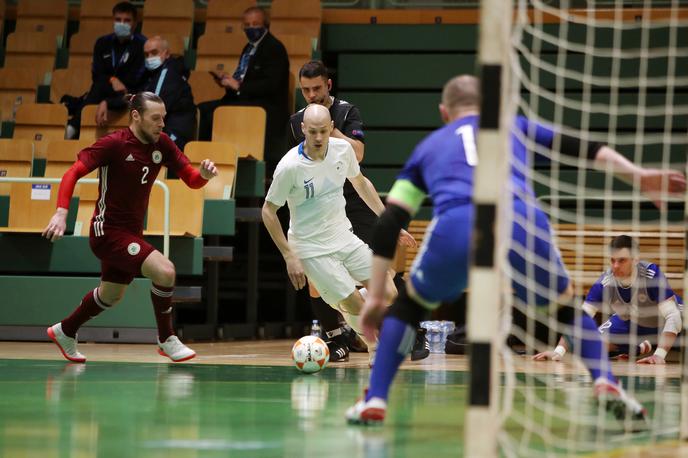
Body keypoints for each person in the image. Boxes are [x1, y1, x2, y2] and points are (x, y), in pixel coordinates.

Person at [345, 75, 686, 425]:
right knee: (568, 310)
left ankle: (377, 399)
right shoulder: (513, 125)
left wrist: (373, 299)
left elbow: (389, 222)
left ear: (444, 112)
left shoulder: (429, 147)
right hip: (520, 219)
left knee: (407, 308)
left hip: (458, 223)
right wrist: (637, 174)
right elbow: (584, 146)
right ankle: (604, 380)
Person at [43, 91, 218, 363]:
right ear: (135, 116)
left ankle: (65, 330)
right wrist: (61, 212)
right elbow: (72, 173)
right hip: (107, 232)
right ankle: (166, 339)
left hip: (131, 233)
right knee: (165, 271)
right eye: (155, 118)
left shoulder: (163, 145)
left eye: (164, 118)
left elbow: (192, 180)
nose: (162, 124)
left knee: (110, 296)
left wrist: (204, 175)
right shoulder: (113, 144)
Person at [287, 61, 429, 362]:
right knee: (318, 281)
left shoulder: (347, 112)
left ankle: (413, 334)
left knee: (383, 272)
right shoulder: (297, 121)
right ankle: (336, 336)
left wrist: (329, 128)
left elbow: (358, 154)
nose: (311, 95)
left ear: (328, 85)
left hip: (354, 200)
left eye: (317, 88)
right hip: (322, 209)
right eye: (305, 90)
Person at [262, 104, 416, 364]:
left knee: (389, 293)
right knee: (355, 306)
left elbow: (361, 183)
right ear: (303, 130)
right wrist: (289, 256)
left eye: (324, 131)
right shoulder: (289, 167)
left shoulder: (343, 150)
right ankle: (373, 347)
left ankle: (353, 300)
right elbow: (268, 211)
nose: (319, 138)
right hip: (311, 249)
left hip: (343, 236)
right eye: (313, 132)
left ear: (332, 126)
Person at [533, 235, 683, 364]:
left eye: (622, 260)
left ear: (636, 259)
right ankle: (639, 347)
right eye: (612, 260)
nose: (615, 266)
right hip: (632, 321)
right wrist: (558, 352)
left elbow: (673, 316)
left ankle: (658, 345)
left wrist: (659, 355)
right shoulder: (605, 282)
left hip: (668, 318)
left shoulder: (651, 274)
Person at [198, 6, 289, 166]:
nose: (251, 28)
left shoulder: (274, 48)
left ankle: (218, 159)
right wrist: (227, 82)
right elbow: (243, 79)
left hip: (266, 106)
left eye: (255, 24)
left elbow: (271, 85)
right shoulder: (248, 47)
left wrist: (239, 86)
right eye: (247, 25)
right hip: (243, 99)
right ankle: (205, 159)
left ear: (265, 25)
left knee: (214, 113)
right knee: (202, 109)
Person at [65, 1, 147, 138]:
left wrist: (115, 87)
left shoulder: (142, 44)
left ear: (135, 23)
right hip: (105, 89)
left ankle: (73, 127)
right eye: (118, 20)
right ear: (113, 21)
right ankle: (74, 129)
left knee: (102, 88)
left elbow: (138, 76)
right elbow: (97, 74)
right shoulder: (103, 42)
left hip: (130, 91)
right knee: (100, 85)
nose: (122, 24)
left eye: (127, 20)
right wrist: (112, 79)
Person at [106, 36, 196, 150]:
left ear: (167, 54)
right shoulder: (152, 75)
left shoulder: (168, 73)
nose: (149, 58)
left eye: (154, 52)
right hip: (157, 132)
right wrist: (108, 102)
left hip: (173, 138)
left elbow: (153, 109)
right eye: (146, 55)